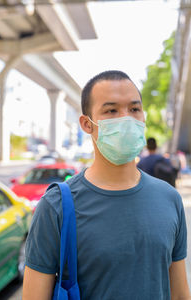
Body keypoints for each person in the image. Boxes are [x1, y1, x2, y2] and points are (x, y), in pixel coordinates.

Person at [23, 70, 190, 300]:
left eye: (134, 109)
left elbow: (180, 294)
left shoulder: (169, 199)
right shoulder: (56, 206)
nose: (126, 118)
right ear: (86, 124)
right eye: (111, 110)